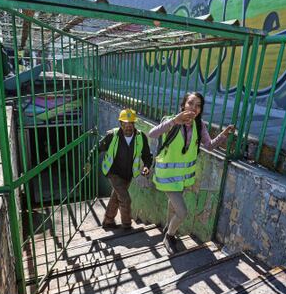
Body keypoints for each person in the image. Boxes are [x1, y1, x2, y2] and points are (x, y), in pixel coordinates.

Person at [148, 92, 236, 252]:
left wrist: (223, 135)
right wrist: (174, 121)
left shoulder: (199, 125)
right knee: (182, 212)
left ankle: (168, 228)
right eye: (190, 103)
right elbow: (152, 133)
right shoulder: (170, 121)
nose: (194, 108)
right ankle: (169, 235)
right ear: (183, 105)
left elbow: (209, 145)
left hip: (181, 178)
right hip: (167, 177)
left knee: (174, 206)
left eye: (198, 105)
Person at [97, 108, 152, 229]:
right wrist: (88, 161)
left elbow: (147, 156)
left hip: (128, 174)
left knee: (116, 197)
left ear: (134, 124)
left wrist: (147, 166)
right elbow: (98, 148)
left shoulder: (141, 137)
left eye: (130, 123)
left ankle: (108, 221)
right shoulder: (112, 135)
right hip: (113, 172)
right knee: (125, 199)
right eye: (125, 124)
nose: (128, 127)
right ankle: (127, 224)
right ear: (120, 123)